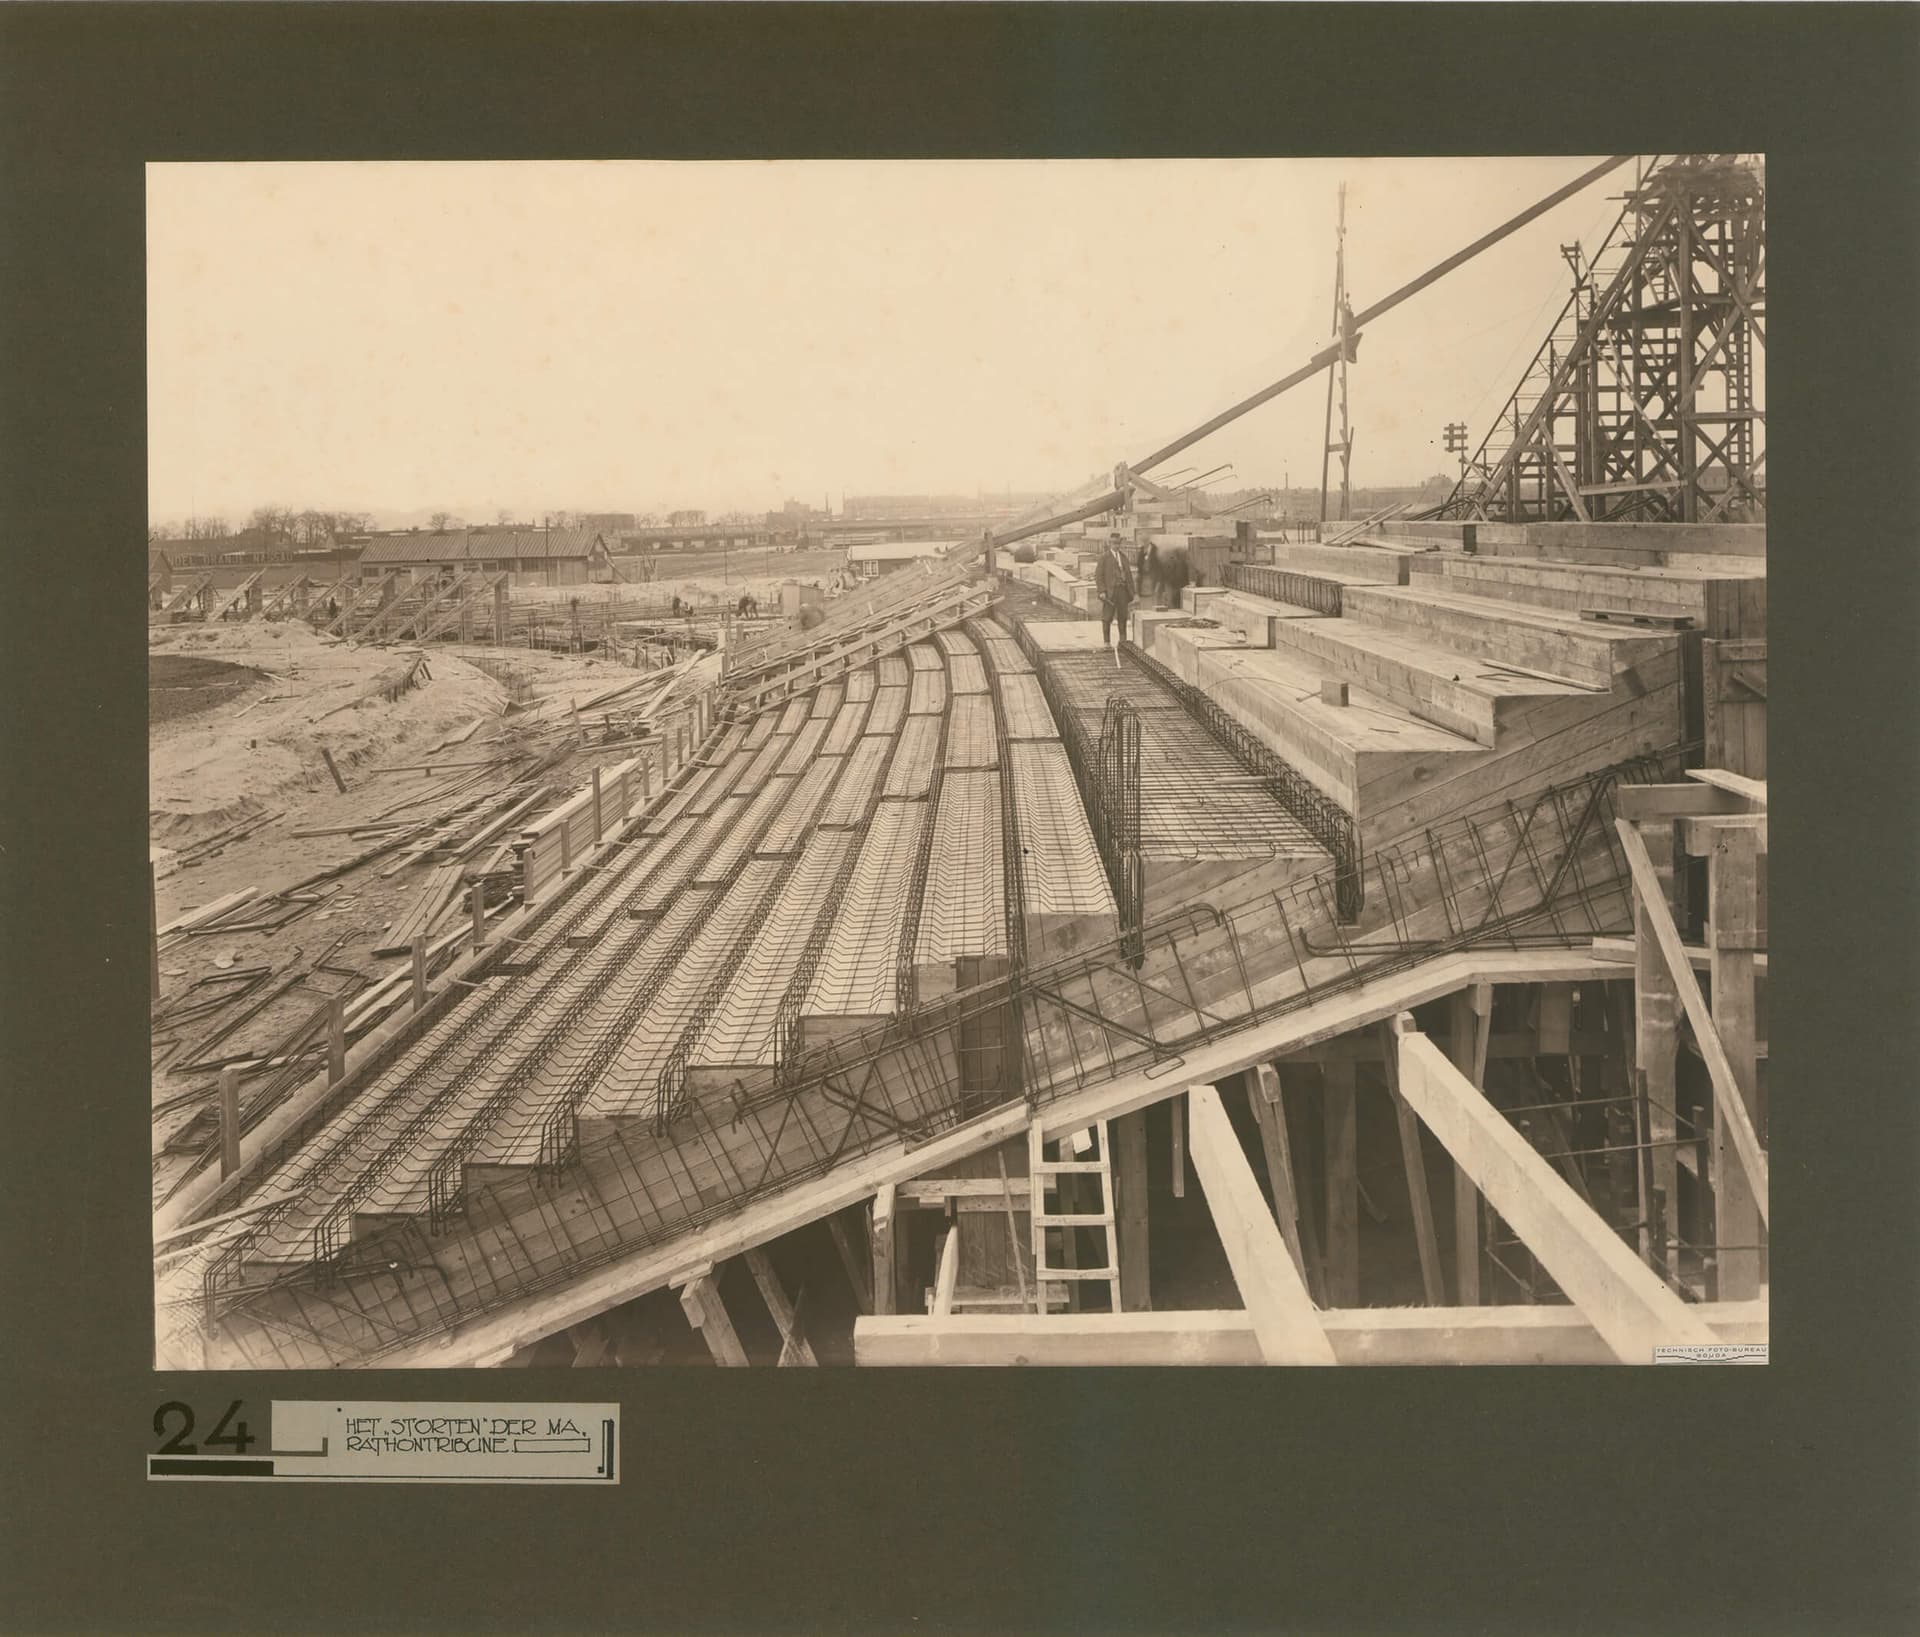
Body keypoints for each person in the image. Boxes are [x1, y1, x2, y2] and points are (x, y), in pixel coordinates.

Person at [1094, 528, 1136, 647]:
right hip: (1110, 593)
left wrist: (1133, 592)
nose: (1116, 545)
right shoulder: (1104, 557)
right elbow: (1098, 575)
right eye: (1113, 543)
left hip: (1123, 591)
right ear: (1109, 543)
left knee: (1123, 616)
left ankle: (1122, 642)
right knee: (1107, 617)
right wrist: (1102, 591)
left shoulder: (1123, 557)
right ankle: (1107, 642)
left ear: (1120, 543)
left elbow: (1129, 575)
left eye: (1118, 543)